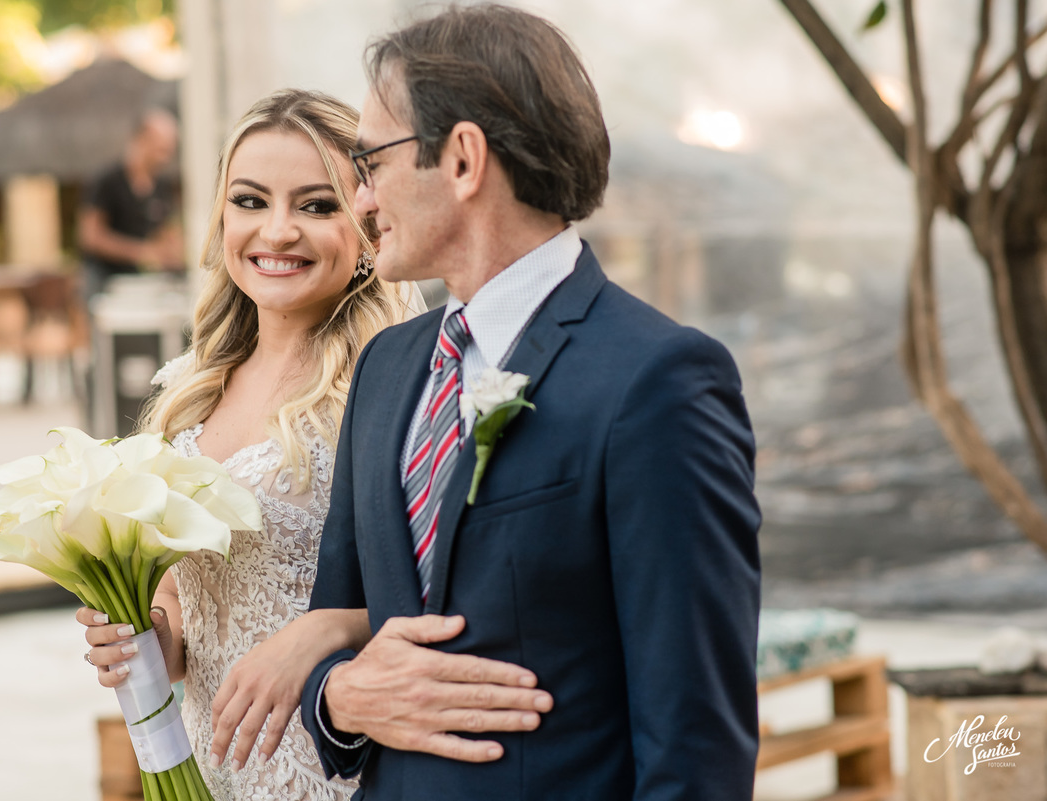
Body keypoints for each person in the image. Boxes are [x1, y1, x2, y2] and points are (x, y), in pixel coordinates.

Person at [300, 5, 762, 799]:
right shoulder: (384, 367)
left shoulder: (658, 381)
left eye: (371, 160)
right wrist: (336, 700)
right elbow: (340, 627)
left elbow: (696, 740)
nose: (361, 197)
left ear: (464, 159)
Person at [77, 89, 419, 801]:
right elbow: (178, 600)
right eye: (251, 201)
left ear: (366, 223)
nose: (278, 231)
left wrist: (323, 632)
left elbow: (440, 597)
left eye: (317, 205)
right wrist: (144, 635)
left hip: (334, 769)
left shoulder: (391, 385)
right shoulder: (186, 389)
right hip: (207, 766)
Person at [78, 107, 184, 301]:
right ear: (141, 140)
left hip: (136, 282)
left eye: (169, 151)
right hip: (102, 281)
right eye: (160, 150)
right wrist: (141, 252)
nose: (165, 158)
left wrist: (171, 252)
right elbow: (90, 237)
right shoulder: (107, 180)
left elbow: (166, 230)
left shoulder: (162, 185)